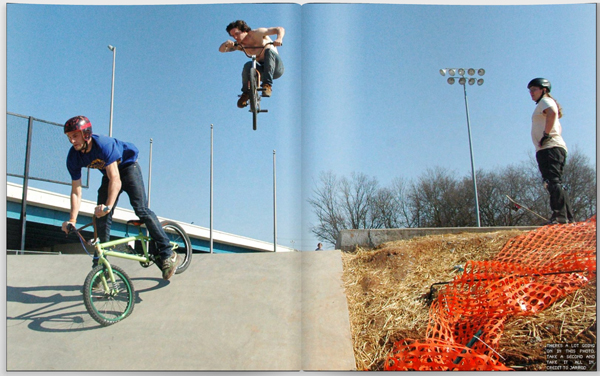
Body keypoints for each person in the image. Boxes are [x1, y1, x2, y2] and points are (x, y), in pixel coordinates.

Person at [60, 115, 180, 280]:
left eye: (75, 136)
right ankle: (101, 268)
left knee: (141, 209)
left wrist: (108, 207)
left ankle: (168, 254)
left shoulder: (103, 145)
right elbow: (76, 190)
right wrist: (72, 220)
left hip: (127, 167)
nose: (72, 141)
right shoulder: (73, 157)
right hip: (109, 174)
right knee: (100, 217)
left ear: (86, 133)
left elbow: (116, 180)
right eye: (69, 137)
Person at [527, 78, 574, 224]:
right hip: (548, 148)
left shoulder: (545, 101)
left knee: (552, 181)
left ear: (544, 90)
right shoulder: (543, 103)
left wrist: (545, 135)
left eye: (534, 89)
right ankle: (567, 216)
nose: (531, 93)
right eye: (530, 90)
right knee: (553, 182)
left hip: (550, 147)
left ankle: (559, 216)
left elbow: (552, 112)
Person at [219, 20, 285, 108]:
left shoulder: (257, 33)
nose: (235, 37)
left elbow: (279, 29)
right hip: (262, 70)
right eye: (233, 36)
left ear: (244, 30)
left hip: (276, 68)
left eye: (237, 34)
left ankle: (267, 85)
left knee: (268, 51)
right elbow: (221, 50)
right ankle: (246, 93)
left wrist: (279, 39)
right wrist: (226, 44)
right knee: (248, 65)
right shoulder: (240, 45)